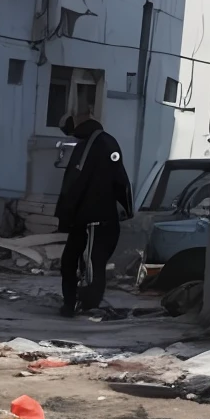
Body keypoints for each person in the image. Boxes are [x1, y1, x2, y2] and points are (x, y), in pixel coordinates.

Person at [54, 115, 132, 317]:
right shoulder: (94, 144)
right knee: (78, 262)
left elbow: (75, 184)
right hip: (89, 218)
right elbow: (120, 181)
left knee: (90, 264)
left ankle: (85, 304)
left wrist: (66, 215)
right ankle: (75, 303)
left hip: (94, 219)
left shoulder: (96, 145)